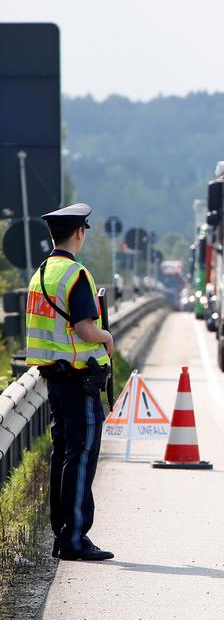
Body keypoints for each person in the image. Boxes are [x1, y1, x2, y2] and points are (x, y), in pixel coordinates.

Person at [23, 203, 115, 562]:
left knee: (63, 453)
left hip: (53, 378)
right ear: (80, 232)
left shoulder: (42, 272)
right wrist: (106, 337)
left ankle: (62, 533)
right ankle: (75, 537)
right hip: (79, 379)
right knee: (82, 455)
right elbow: (84, 329)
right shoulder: (76, 275)